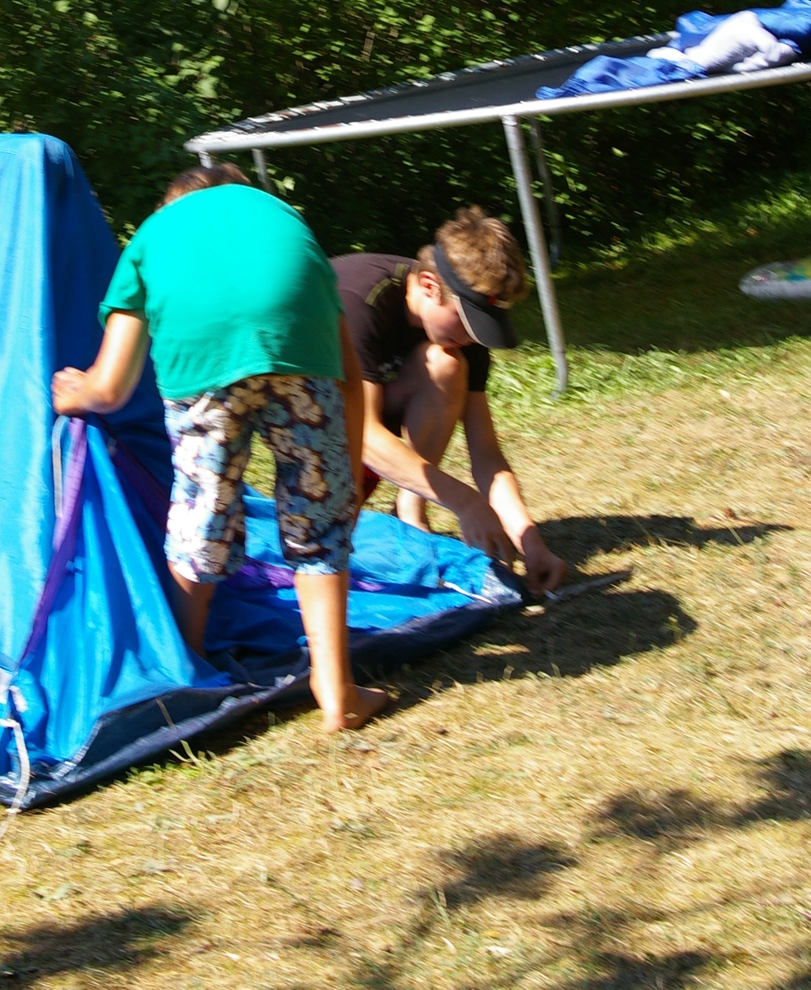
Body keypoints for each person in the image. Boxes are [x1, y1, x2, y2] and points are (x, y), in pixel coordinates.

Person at [51, 163, 389, 733]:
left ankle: (186, 661)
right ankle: (337, 692)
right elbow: (350, 379)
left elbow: (110, 389)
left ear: (171, 203)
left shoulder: (156, 234)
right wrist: (344, 477)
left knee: (201, 513)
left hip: (204, 366)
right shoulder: (279, 219)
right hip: (298, 348)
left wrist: (73, 391)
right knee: (317, 525)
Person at [332, 207, 567, 597]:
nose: (473, 337)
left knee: (447, 365)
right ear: (429, 286)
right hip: (305, 407)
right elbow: (362, 435)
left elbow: (486, 454)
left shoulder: (463, 336)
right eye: (466, 319)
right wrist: (465, 502)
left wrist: (531, 543)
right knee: (329, 543)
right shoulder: (361, 299)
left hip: (368, 405)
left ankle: (409, 512)